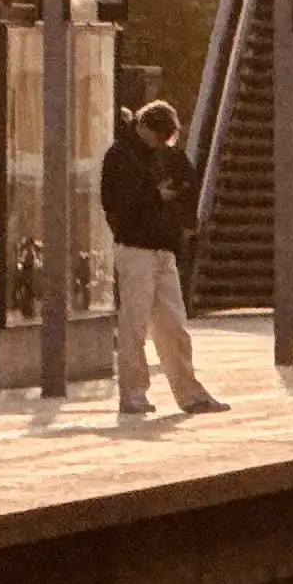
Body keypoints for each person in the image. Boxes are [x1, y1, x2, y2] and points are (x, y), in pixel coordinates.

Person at [101, 100, 225, 418]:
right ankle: (133, 395)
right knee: (135, 325)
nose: (162, 145)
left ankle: (190, 393)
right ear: (144, 127)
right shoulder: (119, 156)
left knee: (174, 326)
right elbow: (116, 201)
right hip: (136, 249)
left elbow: (189, 183)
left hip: (163, 248)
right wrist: (156, 196)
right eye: (158, 138)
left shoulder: (167, 155)